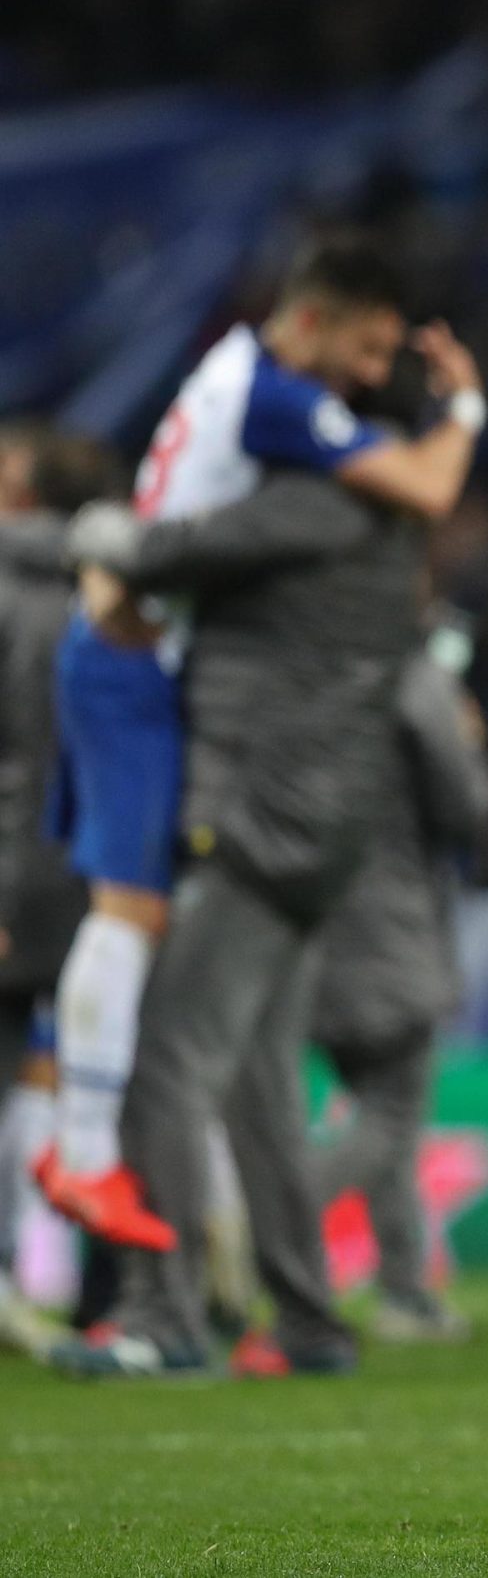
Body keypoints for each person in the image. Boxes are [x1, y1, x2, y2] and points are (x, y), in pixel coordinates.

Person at [37, 237, 483, 1256]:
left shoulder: (235, 375)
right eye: (368, 351)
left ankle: (95, 1157)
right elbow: (425, 489)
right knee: (131, 910)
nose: (375, 377)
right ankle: (89, 1154)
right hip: (131, 664)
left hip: (132, 652)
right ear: (315, 319)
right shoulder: (276, 396)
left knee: (138, 920)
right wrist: (464, 410)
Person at [306, 632, 488, 1344]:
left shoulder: (301, 663)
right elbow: (464, 805)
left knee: (378, 1104)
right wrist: (469, 742)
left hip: (305, 916)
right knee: (395, 1110)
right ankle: (277, 1214)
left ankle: (405, 1287)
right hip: (389, 916)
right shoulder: (409, 670)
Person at [0, 429, 118, 1355]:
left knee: (14, 1071)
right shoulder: (113, 590)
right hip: (103, 868)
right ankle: (108, 1287)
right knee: (99, 1073)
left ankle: (7, 1273)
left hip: (9, 867)